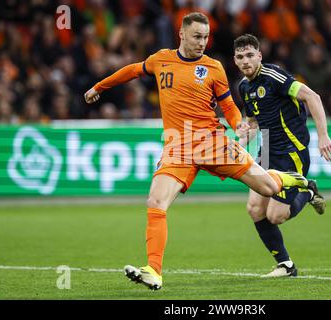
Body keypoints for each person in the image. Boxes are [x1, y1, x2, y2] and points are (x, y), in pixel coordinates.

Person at [84, 13, 310, 290]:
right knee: (156, 202)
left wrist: (239, 125)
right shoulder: (161, 59)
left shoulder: (213, 67)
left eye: (205, 37)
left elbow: (227, 106)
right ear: (181, 34)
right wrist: (99, 87)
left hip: (211, 143)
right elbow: (132, 70)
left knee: (266, 188)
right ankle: (153, 271)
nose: (202, 42)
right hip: (177, 146)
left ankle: (296, 181)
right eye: (197, 37)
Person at [233, 34, 331, 277]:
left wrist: (323, 136)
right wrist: (241, 136)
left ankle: (308, 190)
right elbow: (252, 122)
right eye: (240, 57)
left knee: (275, 215)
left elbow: (312, 97)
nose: (245, 61)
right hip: (267, 150)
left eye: (250, 55)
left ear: (259, 56)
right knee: (254, 209)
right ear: (235, 60)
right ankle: (286, 266)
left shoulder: (274, 76)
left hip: (291, 150)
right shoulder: (244, 87)